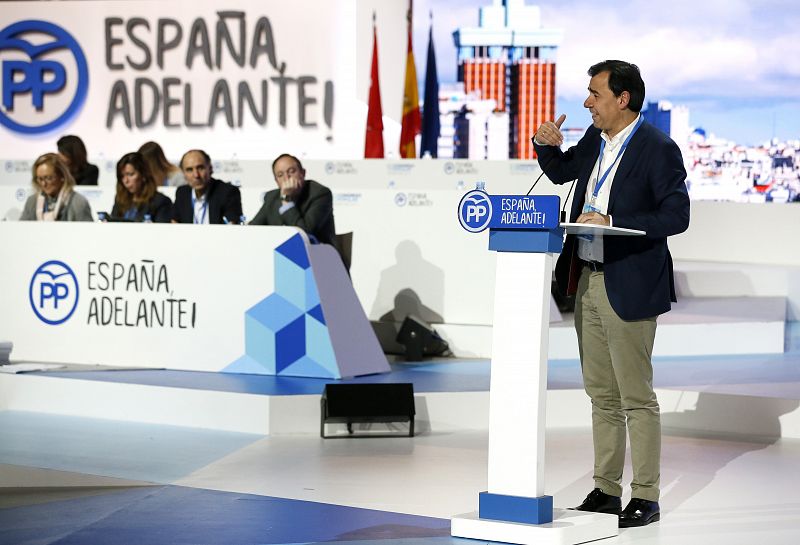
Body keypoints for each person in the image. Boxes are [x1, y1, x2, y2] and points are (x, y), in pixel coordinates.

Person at [533, 60, 690, 528]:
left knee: (635, 396)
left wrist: (619, 225)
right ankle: (605, 489)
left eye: (594, 94)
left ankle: (645, 494)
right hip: (587, 277)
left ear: (623, 99)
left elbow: (676, 217)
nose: (586, 102)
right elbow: (562, 174)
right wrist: (545, 147)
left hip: (630, 280)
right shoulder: (593, 141)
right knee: (601, 394)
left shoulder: (658, 149)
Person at [250, 153, 337, 247]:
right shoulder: (271, 197)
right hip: (279, 254)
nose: (286, 178)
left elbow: (305, 234)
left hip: (318, 254)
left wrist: (286, 200)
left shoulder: (320, 194)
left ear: (302, 173)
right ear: (276, 181)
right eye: (280, 175)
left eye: (291, 171)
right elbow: (253, 229)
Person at [171, 149, 242, 224]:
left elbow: (232, 227)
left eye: (200, 168)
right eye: (189, 170)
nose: (196, 175)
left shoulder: (227, 192)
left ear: (210, 169)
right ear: (183, 174)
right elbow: (174, 224)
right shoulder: (182, 193)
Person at [20, 153, 93, 221]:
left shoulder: (78, 202)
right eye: (40, 179)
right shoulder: (32, 201)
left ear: (62, 176)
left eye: (48, 178)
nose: (43, 183)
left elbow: (88, 233)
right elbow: (22, 230)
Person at [110, 152, 173, 222]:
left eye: (130, 174)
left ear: (143, 175)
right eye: (122, 176)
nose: (125, 180)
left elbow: (161, 231)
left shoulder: (160, 202)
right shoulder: (120, 199)